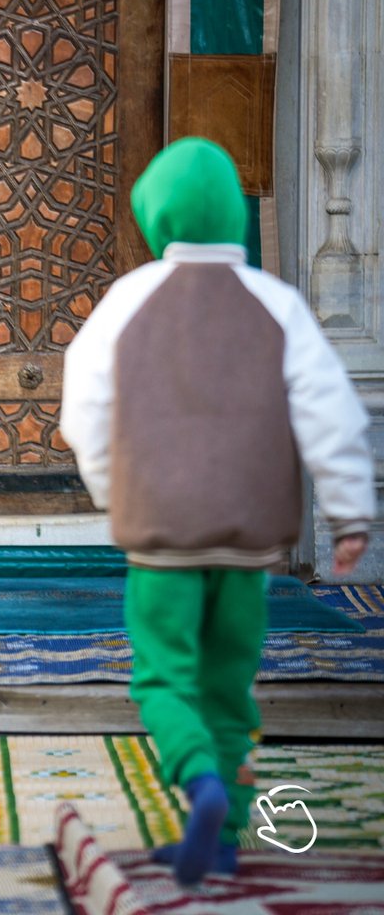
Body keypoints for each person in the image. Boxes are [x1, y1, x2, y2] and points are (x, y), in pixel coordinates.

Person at [60, 137, 374, 886]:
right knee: (231, 682)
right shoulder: (278, 304)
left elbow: (84, 411)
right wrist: (351, 514)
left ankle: (198, 779)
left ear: (156, 214)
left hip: (160, 537)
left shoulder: (128, 301)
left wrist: (114, 491)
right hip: (249, 540)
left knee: (164, 676)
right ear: (233, 212)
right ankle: (227, 833)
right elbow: (331, 414)